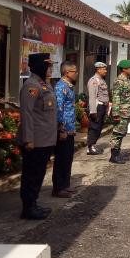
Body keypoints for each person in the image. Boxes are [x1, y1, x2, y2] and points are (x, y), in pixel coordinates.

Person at [17, 53, 57, 220]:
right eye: (47, 66)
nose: (50, 69)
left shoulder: (43, 85)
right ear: (39, 66)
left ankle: (33, 203)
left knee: (39, 173)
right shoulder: (31, 86)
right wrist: (28, 139)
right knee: (31, 175)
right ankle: (28, 207)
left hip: (45, 139)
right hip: (35, 141)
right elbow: (26, 114)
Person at [52, 61, 78, 198]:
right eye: (74, 71)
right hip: (63, 130)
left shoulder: (68, 87)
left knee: (68, 158)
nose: (77, 73)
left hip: (70, 129)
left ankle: (65, 185)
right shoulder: (60, 87)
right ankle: (58, 188)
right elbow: (59, 109)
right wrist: (61, 128)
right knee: (61, 159)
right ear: (67, 73)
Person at [110, 60, 130, 164]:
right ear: (124, 69)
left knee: (121, 133)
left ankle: (117, 154)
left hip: (125, 112)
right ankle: (114, 156)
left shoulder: (126, 80)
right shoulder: (119, 81)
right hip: (120, 112)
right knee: (117, 134)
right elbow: (116, 98)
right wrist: (115, 114)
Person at [86, 62, 110, 155]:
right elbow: (92, 97)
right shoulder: (94, 81)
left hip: (102, 106)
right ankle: (90, 147)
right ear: (98, 69)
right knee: (94, 127)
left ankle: (93, 145)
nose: (105, 71)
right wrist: (93, 111)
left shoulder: (101, 80)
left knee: (99, 127)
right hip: (97, 107)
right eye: (104, 69)